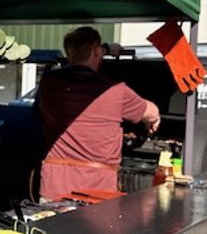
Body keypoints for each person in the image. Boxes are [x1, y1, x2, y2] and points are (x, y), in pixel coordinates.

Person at [36, 26, 160, 200]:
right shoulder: (116, 91)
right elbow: (152, 112)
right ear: (96, 51)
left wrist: (106, 49)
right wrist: (151, 123)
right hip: (98, 191)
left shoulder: (48, 83)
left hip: (55, 189)